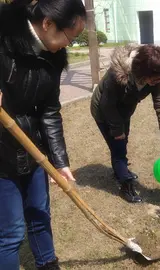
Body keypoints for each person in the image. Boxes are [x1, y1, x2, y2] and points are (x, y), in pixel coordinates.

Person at [0, 0, 86, 269]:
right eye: (69, 38)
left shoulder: (53, 59)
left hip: (33, 148)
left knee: (40, 214)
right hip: (1, 157)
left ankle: (48, 263)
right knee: (12, 232)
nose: (67, 46)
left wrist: (60, 162)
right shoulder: (3, 40)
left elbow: (50, 112)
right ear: (48, 23)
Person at [90, 45, 160, 203]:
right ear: (143, 71)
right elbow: (106, 105)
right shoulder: (117, 75)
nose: (159, 82)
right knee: (118, 146)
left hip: (124, 111)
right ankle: (126, 186)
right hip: (103, 111)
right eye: (156, 78)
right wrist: (117, 130)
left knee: (123, 142)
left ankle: (119, 171)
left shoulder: (154, 78)